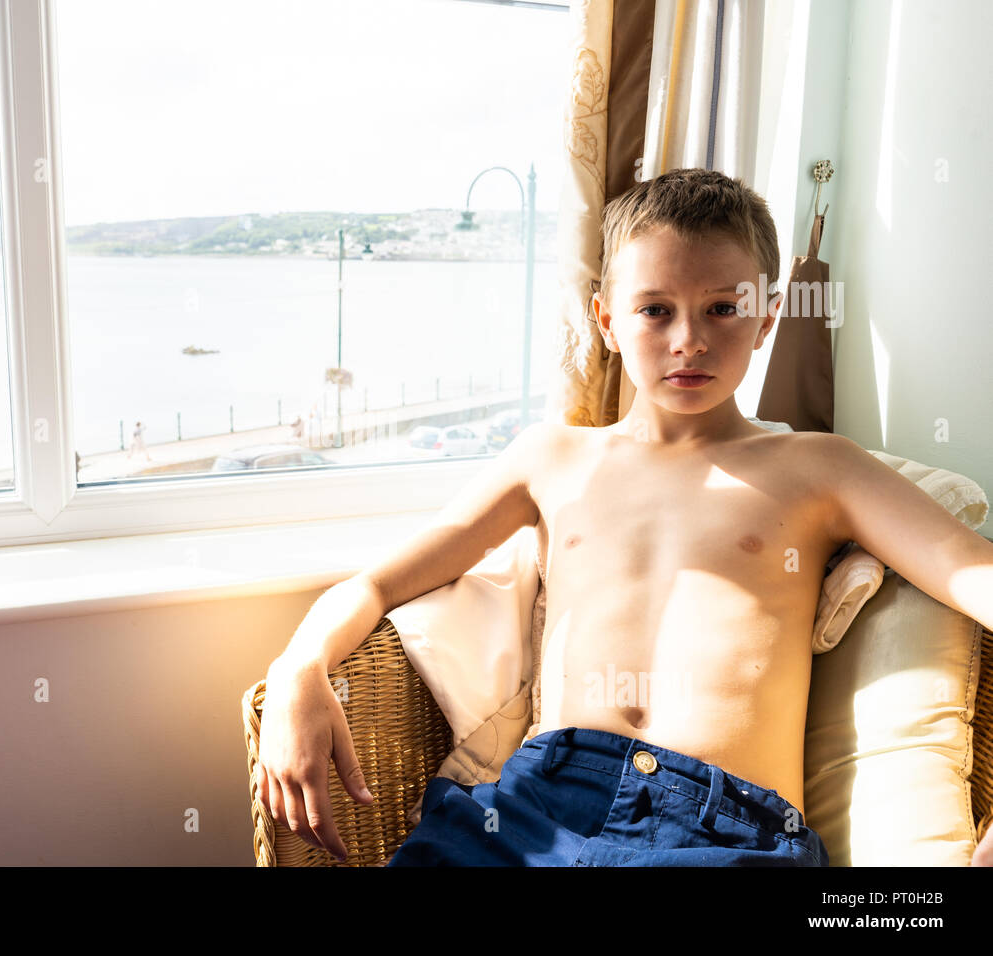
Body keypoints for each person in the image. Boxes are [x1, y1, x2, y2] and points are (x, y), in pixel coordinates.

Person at [254, 167, 993, 866]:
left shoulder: (819, 467)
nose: (689, 341)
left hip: (725, 825)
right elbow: (377, 587)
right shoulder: (550, 459)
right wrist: (301, 667)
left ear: (767, 317)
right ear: (607, 320)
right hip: (535, 808)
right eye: (655, 310)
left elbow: (976, 575)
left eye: (723, 309)